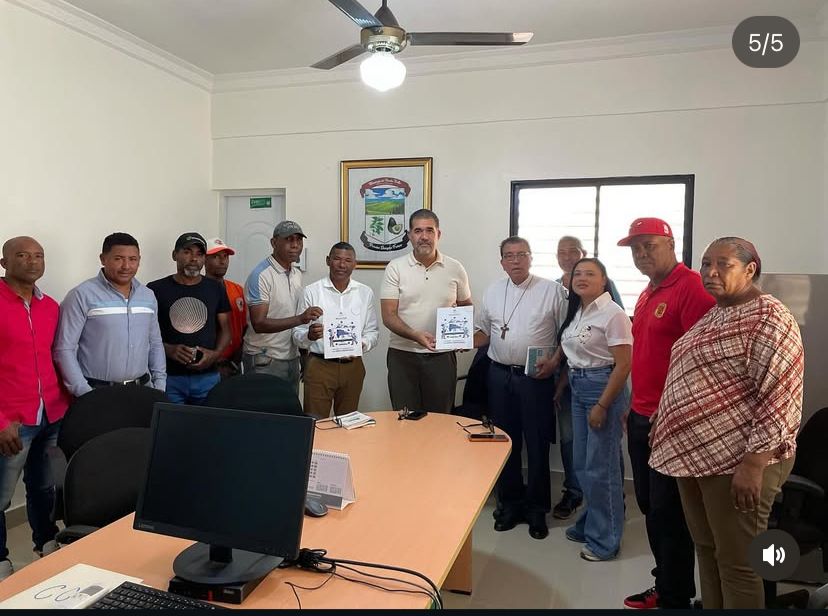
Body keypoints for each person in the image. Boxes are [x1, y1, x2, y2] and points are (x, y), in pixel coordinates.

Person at [650, 237, 802, 609]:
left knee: (738, 564)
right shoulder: (717, 313)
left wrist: (753, 465)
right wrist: (665, 414)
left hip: (738, 461)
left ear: (750, 269)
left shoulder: (769, 317)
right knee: (707, 550)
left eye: (723, 264)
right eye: (705, 264)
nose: (711, 272)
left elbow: (780, 396)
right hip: (693, 457)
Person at [618, 217, 715, 609]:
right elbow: (646, 356)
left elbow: (705, 359)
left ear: (671, 244)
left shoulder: (691, 286)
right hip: (641, 415)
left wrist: (669, 413)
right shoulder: (647, 292)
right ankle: (667, 584)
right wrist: (632, 404)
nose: (642, 254)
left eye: (650, 246)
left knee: (669, 515)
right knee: (651, 509)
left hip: (670, 423)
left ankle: (674, 596)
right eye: (636, 248)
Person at [473, 237, 567, 540]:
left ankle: (537, 509)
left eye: (521, 255)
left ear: (531, 258)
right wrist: (451, 340)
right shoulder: (492, 290)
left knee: (537, 443)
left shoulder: (552, 291)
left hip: (535, 379)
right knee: (505, 443)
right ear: (501, 261)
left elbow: (568, 334)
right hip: (499, 375)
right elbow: (484, 334)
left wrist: (554, 364)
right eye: (508, 256)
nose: (515, 261)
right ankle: (509, 503)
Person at [0, 236, 70, 579]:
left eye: (39, 255)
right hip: (12, 420)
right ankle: (1, 560)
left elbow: (55, 358)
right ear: (4, 263)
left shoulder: (51, 306)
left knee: (43, 487)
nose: (32, 261)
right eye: (22, 255)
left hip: (52, 414)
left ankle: (45, 544)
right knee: (0, 496)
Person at [558, 258, 632, 561]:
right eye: (578, 273)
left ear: (604, 280)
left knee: (602, 469)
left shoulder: (612, 313)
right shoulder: (579, 311)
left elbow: (624, 364)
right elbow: (573, 354)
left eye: (590, 273)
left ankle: (605, 540)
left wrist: (602, 404)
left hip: (603, 388)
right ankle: (591, 521)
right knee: (582, 464)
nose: (582, 278)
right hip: (578, 386)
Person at [553, 236, 624, 520]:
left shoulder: (606, 300)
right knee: (573, 444)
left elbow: (618, 348)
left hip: (600, 379)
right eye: (562, 252)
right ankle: (576, 495)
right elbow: (565, 335)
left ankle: (611, 501)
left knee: (602, 451)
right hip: (569, 376)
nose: (568, 257)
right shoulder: (557, 288)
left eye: (575, 252)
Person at [381, 209, 472, 413]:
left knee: (440, 418)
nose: (424, 236)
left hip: (442, 357)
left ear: (438, 234)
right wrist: (415, 335)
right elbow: (388, 315)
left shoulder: (455, 268)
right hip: (403, 355)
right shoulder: (395, 267)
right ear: (409, 235)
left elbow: (466, 305)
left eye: (429, 231)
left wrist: (462, 336)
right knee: (405, 418)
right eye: (418, 231)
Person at [54, 233, 166, 396]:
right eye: (118, 258)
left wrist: (160, 384)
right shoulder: (81, 295)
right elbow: (64, 349)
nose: (126, 266)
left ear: (139, 260)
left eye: (133, 259)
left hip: (143, 389)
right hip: (98, 392)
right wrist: (85, 393)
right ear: (103, 259)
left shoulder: (147, 296)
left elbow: (155, 343)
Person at [293, 242, 379, 418]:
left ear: (355, 264)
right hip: (320, 366)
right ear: (328, 261)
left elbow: (373, 332)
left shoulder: (365, 293)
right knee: (315, 423)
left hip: (353, 367)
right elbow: (296, 334)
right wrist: (309, 336)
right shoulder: (311, 291)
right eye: (337, 259)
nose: (342, 264)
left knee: (348, 424)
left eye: (348, 260)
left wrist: (361, 344)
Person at [147, 233, 230, 405]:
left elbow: (226, 330)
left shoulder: (216, 288)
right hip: (168, 378)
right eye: (187, 252)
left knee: (207, 428)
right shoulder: (155, 289)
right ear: (174, 255)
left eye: (199, 254)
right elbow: (143, 333)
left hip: (207, 378)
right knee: (171, 428)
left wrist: (214, 355)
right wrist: (168, 349)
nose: (194, 258)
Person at [243, 221, 321, 393]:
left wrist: (303, 353)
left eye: (299, 240)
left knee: (288, 416)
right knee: (265, 416)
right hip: (264, 359)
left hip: (291, 357)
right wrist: (301, 318)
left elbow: (294, 317)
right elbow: (259, 324)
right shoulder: (261, 275)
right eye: (289, 240)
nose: (295, 245)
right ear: (273, 243)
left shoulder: (296, 274)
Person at [204, 237, 246, 379]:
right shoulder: (197, 291)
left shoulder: (238, 290)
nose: (222, 261)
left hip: (234, 364)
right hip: (208, 365)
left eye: (225, 256)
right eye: (215, 256)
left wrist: (234, 361)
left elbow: (245, 329)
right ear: (204, 259)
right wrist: (215, 361)